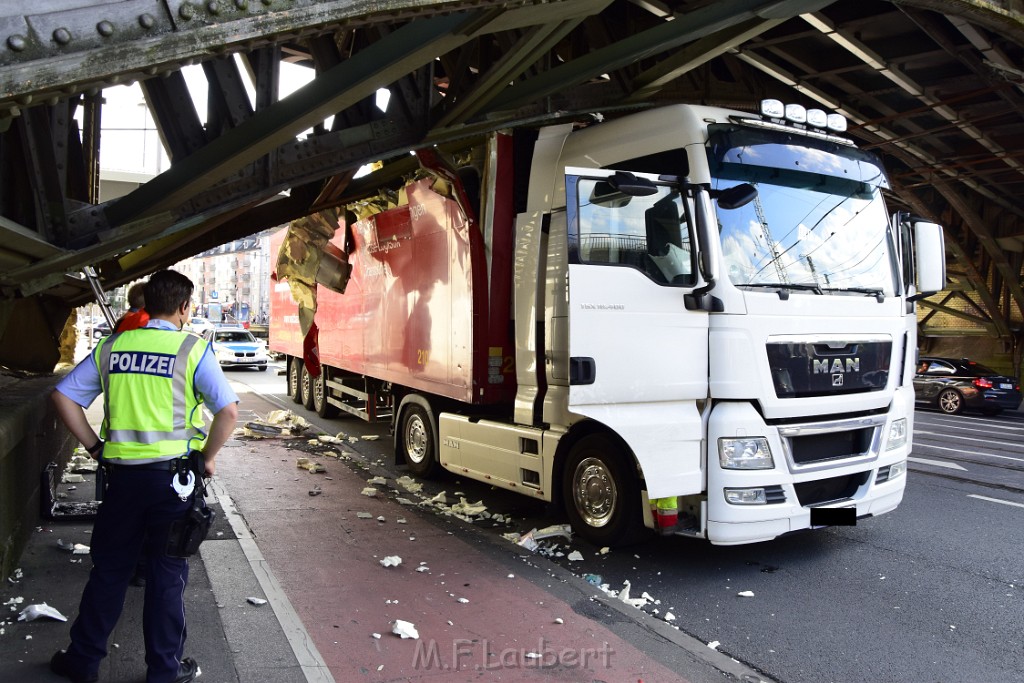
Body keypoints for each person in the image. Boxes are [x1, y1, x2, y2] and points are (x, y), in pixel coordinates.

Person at [50, 269, 240, 683]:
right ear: (184, 307)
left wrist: (94, 447)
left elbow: (63, 396)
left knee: (110, 570)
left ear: (146, 303)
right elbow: (228, 412)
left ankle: (83, 661)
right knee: (166, 574)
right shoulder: (192, 350)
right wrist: (207, 457)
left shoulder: (113, 346)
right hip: (172, 484)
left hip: (121, 481)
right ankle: (163, 671)